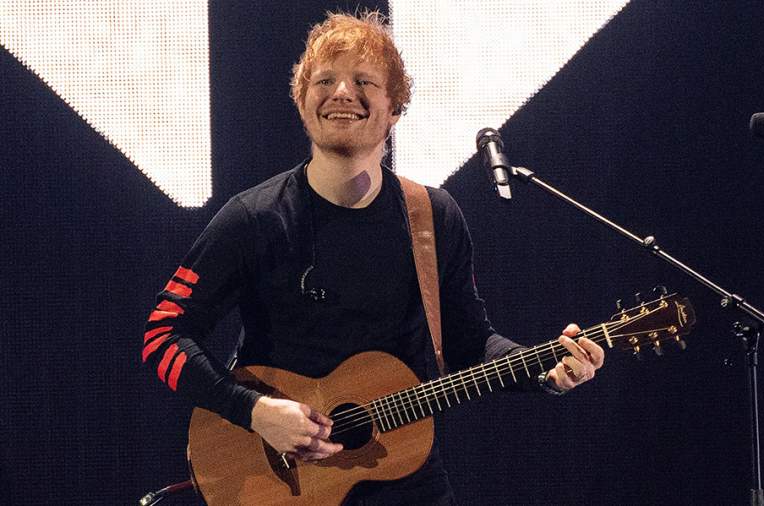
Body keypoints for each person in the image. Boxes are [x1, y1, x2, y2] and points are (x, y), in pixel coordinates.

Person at [142, 10, 604, 504]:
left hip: (409, 484)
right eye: (325, 80)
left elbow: (471, 342)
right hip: (283, 484)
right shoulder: (254, 218)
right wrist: (254, 411)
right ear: (303, 103)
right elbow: (162, 336)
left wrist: (546, 370)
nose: (342, 92)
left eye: (364, 81)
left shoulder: (432, 217)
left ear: (395, 108)